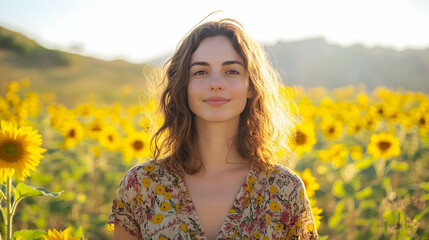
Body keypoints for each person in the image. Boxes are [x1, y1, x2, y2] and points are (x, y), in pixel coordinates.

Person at [108, 16, 319, 240]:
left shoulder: (285, 189)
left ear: (251, 86)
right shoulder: (141, 185)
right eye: (200, 72)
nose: (216, 83)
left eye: (232, 71)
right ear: (184, 86)